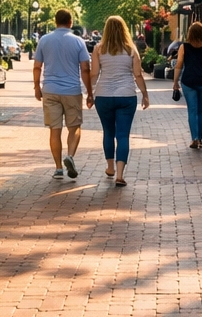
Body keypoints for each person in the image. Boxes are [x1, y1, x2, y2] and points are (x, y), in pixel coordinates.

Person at [88, 15, 150, 186]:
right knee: (123, 135)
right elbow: (137, 75)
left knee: (108, 132)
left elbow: (94, 74)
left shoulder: (99, 49)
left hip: (104, 96)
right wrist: (145, 94)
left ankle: (110, 167)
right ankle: (120, 174)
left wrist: (89, 93)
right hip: (126, 95)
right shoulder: (131, 49)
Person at [33, 9, 92, 179]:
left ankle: (58, 168)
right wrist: (89, 92)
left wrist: (37, 87)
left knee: (55, 130)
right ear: (71, 22)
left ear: (55, 21)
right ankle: (70, 156)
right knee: (74, 127)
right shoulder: (78, 41)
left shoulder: (44, 40)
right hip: (72, 90)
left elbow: (37, 66)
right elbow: (85, 69)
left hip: (50, 90)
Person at [172, 22, 202, 149]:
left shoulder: (184, 47)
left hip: (188, 81)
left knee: (192, 111)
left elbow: (179, 65)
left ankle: (194, 138)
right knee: (201, 111)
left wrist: (175, 82)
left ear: (190, 33)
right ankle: (201, 139)